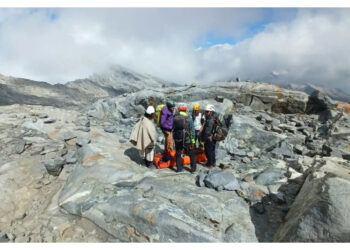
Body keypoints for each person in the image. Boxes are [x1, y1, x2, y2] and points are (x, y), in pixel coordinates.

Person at [173, 104, 196, 173]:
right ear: (185, 110)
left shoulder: (175, 117)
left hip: (178, 138)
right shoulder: (189, 118)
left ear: (179, 110)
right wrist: (193, 141)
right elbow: (192, 131)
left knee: (178, 152)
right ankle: (193, 169)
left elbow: (172, 128)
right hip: (187, 139)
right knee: (191, 153)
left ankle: (179, 168)